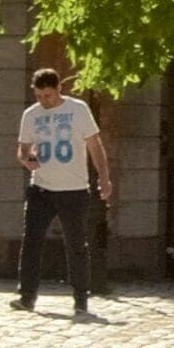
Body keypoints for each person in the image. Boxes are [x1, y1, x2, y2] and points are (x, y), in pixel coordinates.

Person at [15, 67, 113, 317]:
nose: (44, 101)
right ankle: (27, 296)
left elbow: (95, 145)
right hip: (41, 189)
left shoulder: (78, 109)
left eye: (48, 95)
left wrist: (104, 178)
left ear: (59, 89)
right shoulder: (31, 114)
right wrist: (27, 159)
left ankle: (80, 299)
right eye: (39, 96)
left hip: (74, 190)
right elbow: (23, 149)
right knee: (31, 241)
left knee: (76, 244)